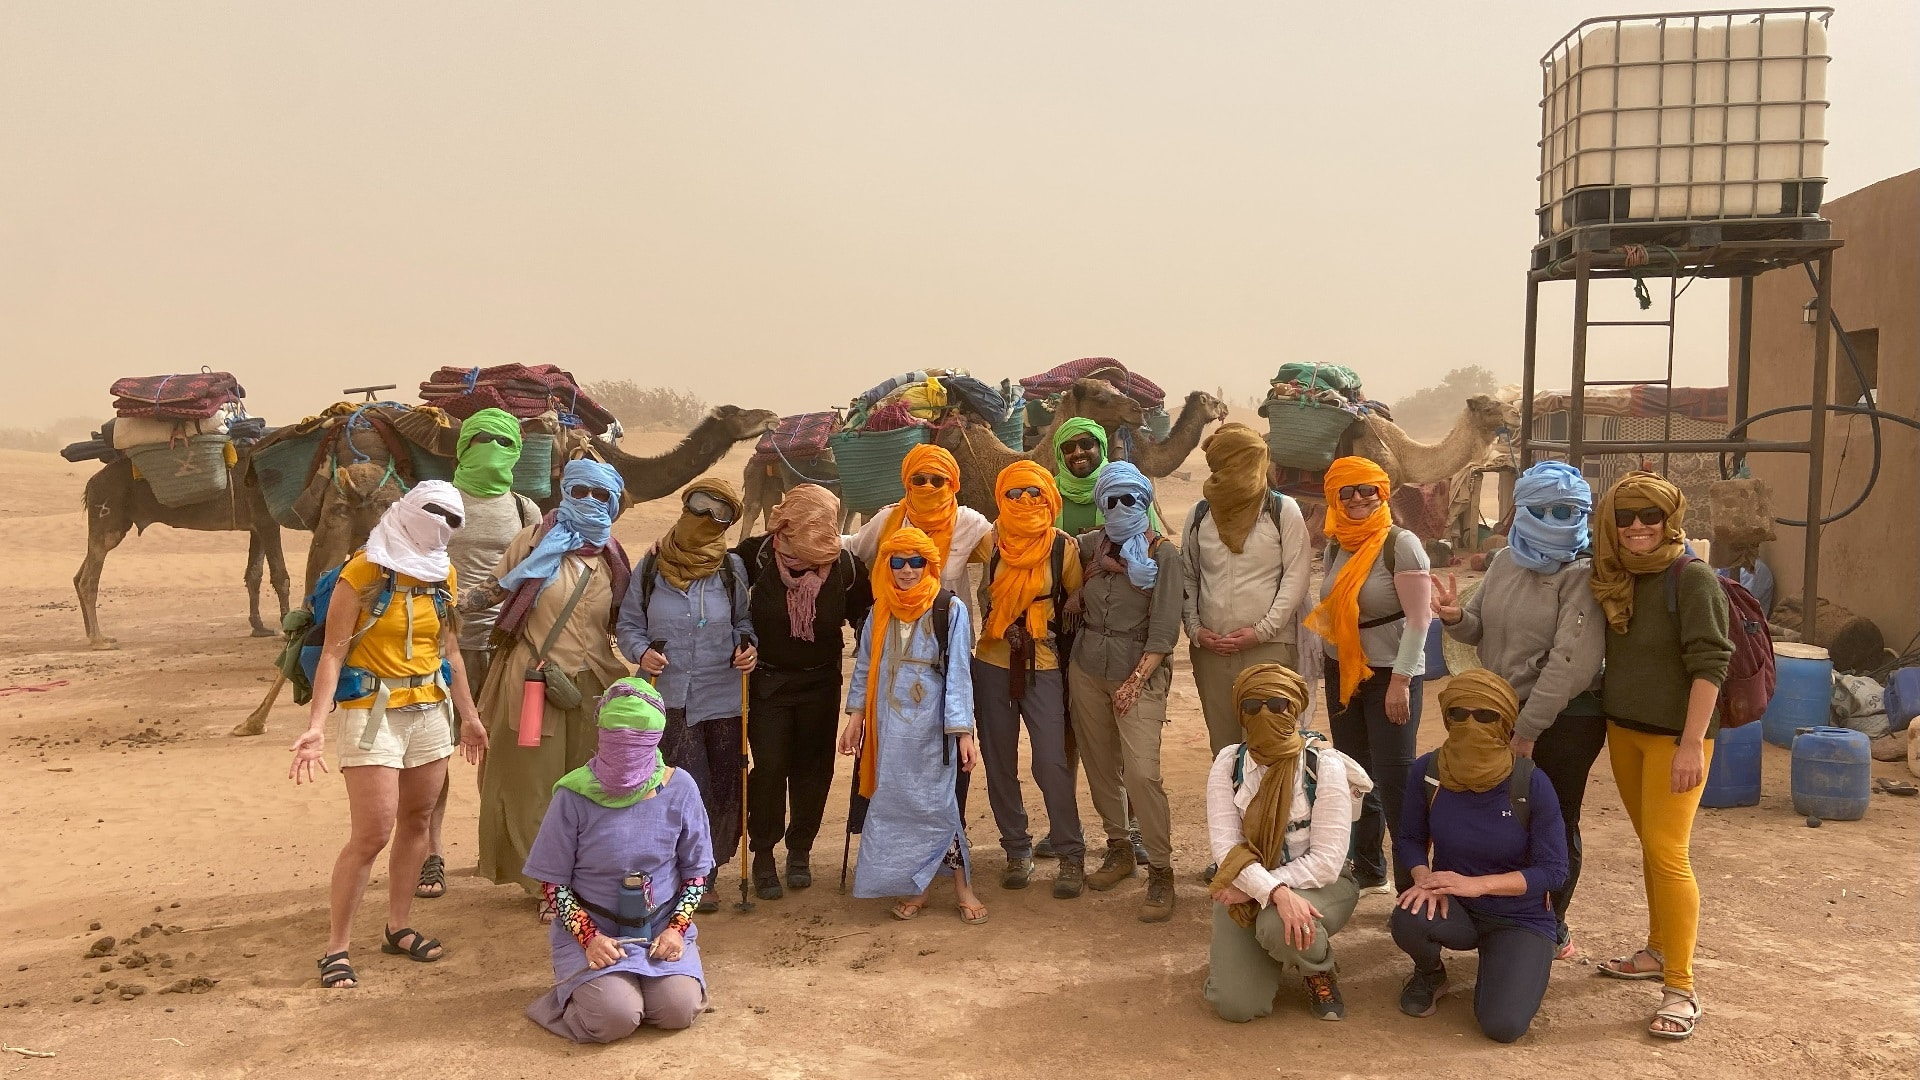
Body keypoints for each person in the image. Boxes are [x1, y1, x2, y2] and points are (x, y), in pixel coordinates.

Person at [288, 481, 488, 989]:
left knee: (418, 819)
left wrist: (469, 715)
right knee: (372, 833)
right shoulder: (363, 572)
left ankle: (397, 926)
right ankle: (336, 947)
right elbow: (333, 651)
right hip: (372, 712)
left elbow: (451, 652)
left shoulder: (443, 573)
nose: (444, 527)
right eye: (436, 516)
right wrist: (316, 726)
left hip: (428, 709)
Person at [1432, 459, 1605, 956]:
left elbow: (1568, 665)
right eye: (1543, 508)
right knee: (1504, 814)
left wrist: (1529, 729)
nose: (1554, 520)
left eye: (1566, 510)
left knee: (1554, 818)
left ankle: (1554, 924)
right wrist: (1454, 617)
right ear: (1520, 509)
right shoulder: (1508, 559)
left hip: (1565, 720)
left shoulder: (1581, 573)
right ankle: (1503, 913)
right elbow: (1478, 627)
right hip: (1503, 715)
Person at [1588, 472, 1731, 1040]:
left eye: (1651, 516)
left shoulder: (1691, 578)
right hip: (1625, 731)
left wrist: (1692, 743)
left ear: (1670, 519)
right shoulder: (1615, 573)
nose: (1639, 527)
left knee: (1670, 852)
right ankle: (1654, 951)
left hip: (1677, 738)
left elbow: (1710, 663)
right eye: (1626, 517)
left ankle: (1682, 986)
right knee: (1650, 846)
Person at [470, 459, 633, 915]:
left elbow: (630, 617)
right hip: (534, 681)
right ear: (565, 491)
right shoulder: (535, 541)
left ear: (613, 502)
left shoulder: (612, 557)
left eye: (600, 496)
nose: (588, 502)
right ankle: (547, 886)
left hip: (595, 682)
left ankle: (587, 877)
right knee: (535, 785)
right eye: (579, 492)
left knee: (589, 787)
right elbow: (495, 590)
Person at [522, 678, 711, 1042]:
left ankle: (638, 987)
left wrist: (676, 929)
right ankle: (580, 999)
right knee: (616, 1016)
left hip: (660, 930)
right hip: (594, 933)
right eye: (617, 739)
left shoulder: (680, 787)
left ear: (655, 739)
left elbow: (696, 873)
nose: (626, 753)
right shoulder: (572, 795)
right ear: (601, 735)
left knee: (677, 1009)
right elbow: (552, 881)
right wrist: (589, 937)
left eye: (636, 742)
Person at [1391, 669, 1569, 1043]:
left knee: (1502, 1027)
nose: (1470, 723)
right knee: (1409, 914)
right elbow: (1409, 837)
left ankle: (1511, 961)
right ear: (1446, 718)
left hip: (1519, 917)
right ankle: (1431, 973)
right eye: (1458, 714)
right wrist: (1425, 879)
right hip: (1453, 905)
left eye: (1485, 715)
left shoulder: (1529, 782)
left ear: (1504, 722)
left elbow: (1554, 871)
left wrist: (1476, 885)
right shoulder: (1429, 771)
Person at [616, 479, 757, 914]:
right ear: (684, 506)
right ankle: (685, 875)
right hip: (668, 698)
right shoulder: (651, 568)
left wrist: (747, 647)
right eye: (699, 507)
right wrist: (642, 653)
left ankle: (707, 873)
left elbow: (744, 623)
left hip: (724, 698)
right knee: (680, 787)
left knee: (722, 786)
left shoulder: (731, 569)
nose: (705, 520)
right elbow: (628, 627)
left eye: (719, 515)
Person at [1204, 663, 1368, 1024]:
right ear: (1240, 713)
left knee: (1276, 926)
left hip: (1322, 885)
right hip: (1252, 884)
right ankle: (1265, 956)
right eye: (1252, 706)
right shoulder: (1229, 763)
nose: (1264, 714)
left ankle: (1316, 968)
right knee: (1235, 1006)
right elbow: (1226, 849)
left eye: (1276, 705)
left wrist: (1260, 890)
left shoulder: (1322, 765)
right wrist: (1273, 891)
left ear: (1293, 709)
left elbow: (1326, 861)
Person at [420, 408, 541, 900]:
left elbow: (537, 575)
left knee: (503, 752)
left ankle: (499, 848)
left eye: (503, 439)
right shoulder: (438, 502)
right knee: (433, 753)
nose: (492, 446)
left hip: (506, 647)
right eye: (481, 437)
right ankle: (431, 852)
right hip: (440, 644)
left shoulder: (524, 509)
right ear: (463, 445)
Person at [836, 528, 986, 923]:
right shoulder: (879, 609)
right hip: (889, 731)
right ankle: (914, 887)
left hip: (933, 732)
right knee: (898, 806)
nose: (906, 570)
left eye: (915, 561)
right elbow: (865, 667)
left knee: (939, 806)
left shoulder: (950, 611)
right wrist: (855, 719)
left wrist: (964, 731)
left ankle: (962, 886)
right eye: (897, 562)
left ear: (930, 564)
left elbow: (959, 675)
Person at [734, 483, 873, 900]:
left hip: (820, 681)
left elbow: (865, 615)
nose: (817, 534)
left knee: (813, 770)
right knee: (770, 768)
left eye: (824, 524)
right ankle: (762, 853)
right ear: (787, 523)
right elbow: (713, 581)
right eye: (807, 525)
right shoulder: (753, 557)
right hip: (768, 682)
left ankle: (800, 850)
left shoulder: (845, 566)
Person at [1305, 456, 1431, 896]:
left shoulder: (1401, 544)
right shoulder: (1338, 544)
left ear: (1382, 492)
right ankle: (1369, 867)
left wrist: (1400, 681)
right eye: (1347, 491)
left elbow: (1420, 620)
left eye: (1367, 490)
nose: (1358, 498)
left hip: (1388, 675)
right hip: (1343, 672)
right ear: (1334, 497)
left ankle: (1410, 884)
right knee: (1354, 774)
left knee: (1396, 779)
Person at [1068, 462, 1185, 921]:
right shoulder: (1088, 546)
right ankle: (1118, 847)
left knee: (1141, 773)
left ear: (1144, 501)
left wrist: (1135, 682)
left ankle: (1160, 868)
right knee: (1098, 765)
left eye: (1130, 499)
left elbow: (1164, 630)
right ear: (1100, 502)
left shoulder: (1163, 555)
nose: (1120, 507)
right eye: (1111, 499)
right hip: (1087, 665)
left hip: (1140, 669)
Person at [972, 461, 1086, 897]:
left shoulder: (1063, 549)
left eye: (1034, 493)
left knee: (1050, 762)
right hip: (993, 661)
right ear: (1001, 497)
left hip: (1043, 663)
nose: (1025, 502)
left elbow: (1076, 600)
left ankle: (1070, 852)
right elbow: (940, 548)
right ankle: (1015, 849)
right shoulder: (989, 541)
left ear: (1049, 496)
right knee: (999, 760)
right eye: (1015, 494)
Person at [1183, 423, 1313, 755]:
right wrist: (1197, 631)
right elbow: (1188, 577)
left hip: (1269, 649)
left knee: (1271, 746)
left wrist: (1262, 631)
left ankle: (1274, 808)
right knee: (1225, 751)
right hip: (1212, 653)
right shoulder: (1200, 515)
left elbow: (1296, 576)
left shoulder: (1282, 510)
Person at [844, 444, 992, 598]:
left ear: (951, 484)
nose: (928, 486)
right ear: (909, 484)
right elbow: (852, 547)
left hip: (947, 619)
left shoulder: (968, 523)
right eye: (920, 480)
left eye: (937, 480)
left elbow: (1004, 549)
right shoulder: (889, 519)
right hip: (893, 618)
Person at [1051, 416, 1166, 537]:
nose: (1078, 452)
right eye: (1068, 447)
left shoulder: (1128, 488)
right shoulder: (1047, 494)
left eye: (1086, 444)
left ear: (1100, 447)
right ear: (1060, 454)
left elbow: (1153, 542)